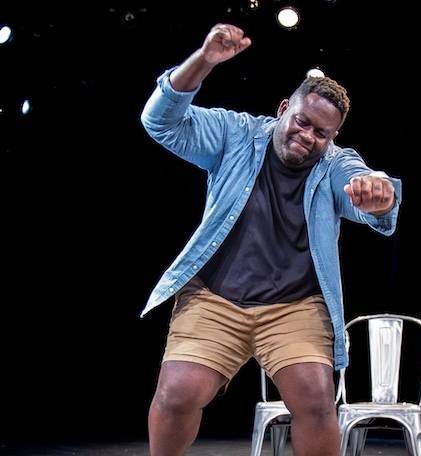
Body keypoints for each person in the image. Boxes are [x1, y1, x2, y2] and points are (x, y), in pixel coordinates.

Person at [139, 23, 401, 456]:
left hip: (294, 306)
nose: (308, 137)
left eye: (322, 133)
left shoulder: (335, 163)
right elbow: (160, 121)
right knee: (175, 394)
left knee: (316, 402)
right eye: (303, 122)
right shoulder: (235, 135)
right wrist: (204, 61)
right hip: (215, 298)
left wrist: (379, 196)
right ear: (284, 109)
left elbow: (365, 188)